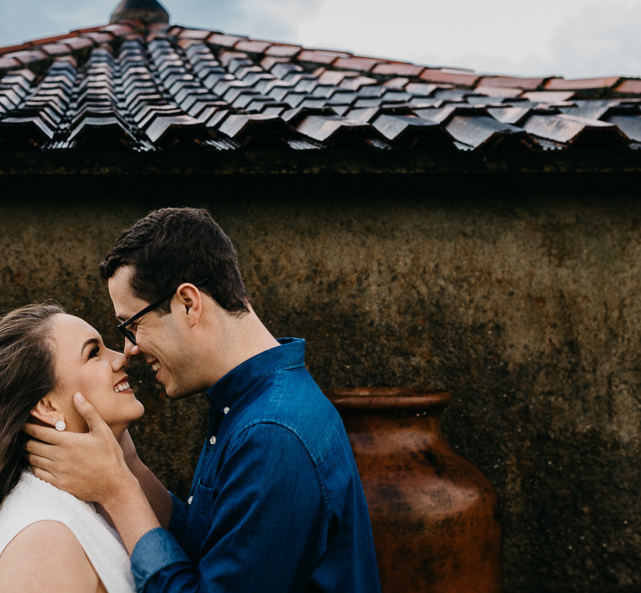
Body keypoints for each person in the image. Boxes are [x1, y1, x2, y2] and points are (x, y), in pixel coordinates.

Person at [25, 208, 381, 593]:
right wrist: (128, 466)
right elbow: (210, 544)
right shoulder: (254, 404)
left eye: (133, 325)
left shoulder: (271, 435)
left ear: (188, 303)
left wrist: (118, 492)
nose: (129, 350)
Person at [0, 303, 145, 593]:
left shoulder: (88, 495)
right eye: (93, 353)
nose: (121, 358)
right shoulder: (42, 544)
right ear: (47, 407)